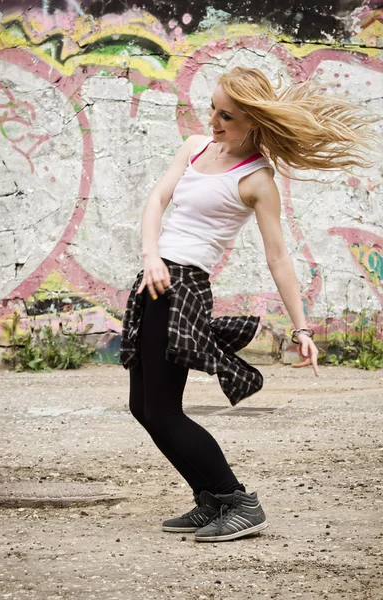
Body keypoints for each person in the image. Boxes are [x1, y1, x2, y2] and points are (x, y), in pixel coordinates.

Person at [120, 67, 376, 542]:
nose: (214, 121)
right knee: (144, 405)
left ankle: (237, 501)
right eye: (213, 109)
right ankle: (211, 499)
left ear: (254, 122)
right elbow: (157, 199)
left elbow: (278, 256)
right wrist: (151, 257)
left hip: (184, 288)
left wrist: (302, 330)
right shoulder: (195, 146)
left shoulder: (257, 179)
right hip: (154, 277)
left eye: (227, 116)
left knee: (161, 410)